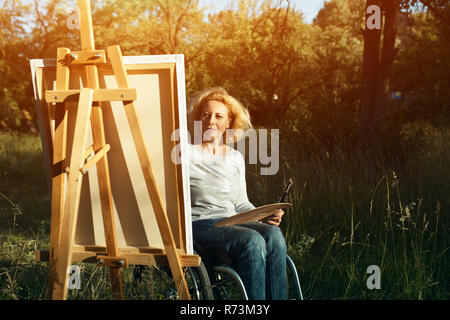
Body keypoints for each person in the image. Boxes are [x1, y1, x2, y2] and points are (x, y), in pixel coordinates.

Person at [186, 87, 287, 300]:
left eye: (218, 116)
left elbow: (241, 204)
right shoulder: (184, 154)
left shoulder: (234, 158)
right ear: (198, 119)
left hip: (231, 222)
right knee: (251, 240)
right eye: (206, 114)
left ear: (228, 124)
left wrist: (264, 215)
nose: (211, 121)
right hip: (200, 225)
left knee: (273, 234)